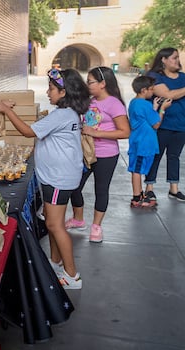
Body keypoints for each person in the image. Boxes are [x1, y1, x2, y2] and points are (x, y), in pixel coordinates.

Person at [0, 68, 90, 289]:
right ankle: (55, 263)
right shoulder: (69, 112)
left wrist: (7, 110)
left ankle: (72, 276)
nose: (47, 92)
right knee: (52, 220)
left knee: (55, 225)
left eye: (51, 89)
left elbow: (27, 132)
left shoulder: (62, 115)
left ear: (63, 92)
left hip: (58, 178)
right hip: (59, 176)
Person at [65, 66, 130, 243]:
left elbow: (125, 132)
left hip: (107, 154)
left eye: (90, 82)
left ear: (103, 83)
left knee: (101, 190)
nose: (88, 85)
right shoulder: (90, 101)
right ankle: (78, 219)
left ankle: (96, 227)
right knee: (74, 186)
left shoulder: (114, 104)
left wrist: (96, 133)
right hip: (86, 152)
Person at [144, 48, 185, 202]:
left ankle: (174, 188)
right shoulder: (154, 77)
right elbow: (167, 95)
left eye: (177, 57)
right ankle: (149, 188)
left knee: (174, 156)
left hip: (181, 124)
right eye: (174, 58)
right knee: (155, 155)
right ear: (164, 59)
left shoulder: (183, 77)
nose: (177, 60)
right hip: (160, 123)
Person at [128, 76, 171, 207]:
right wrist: (162, 108)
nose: (153, 92)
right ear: (143, 90)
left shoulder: (134, 102)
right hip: (144, 143)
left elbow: (145, 117)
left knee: (137, 168)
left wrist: (154, 107)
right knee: (137, 170)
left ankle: (139, 193)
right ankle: (137, 197)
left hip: (137, 141)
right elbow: (156, 124)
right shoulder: (144, 104)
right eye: (151, 90)